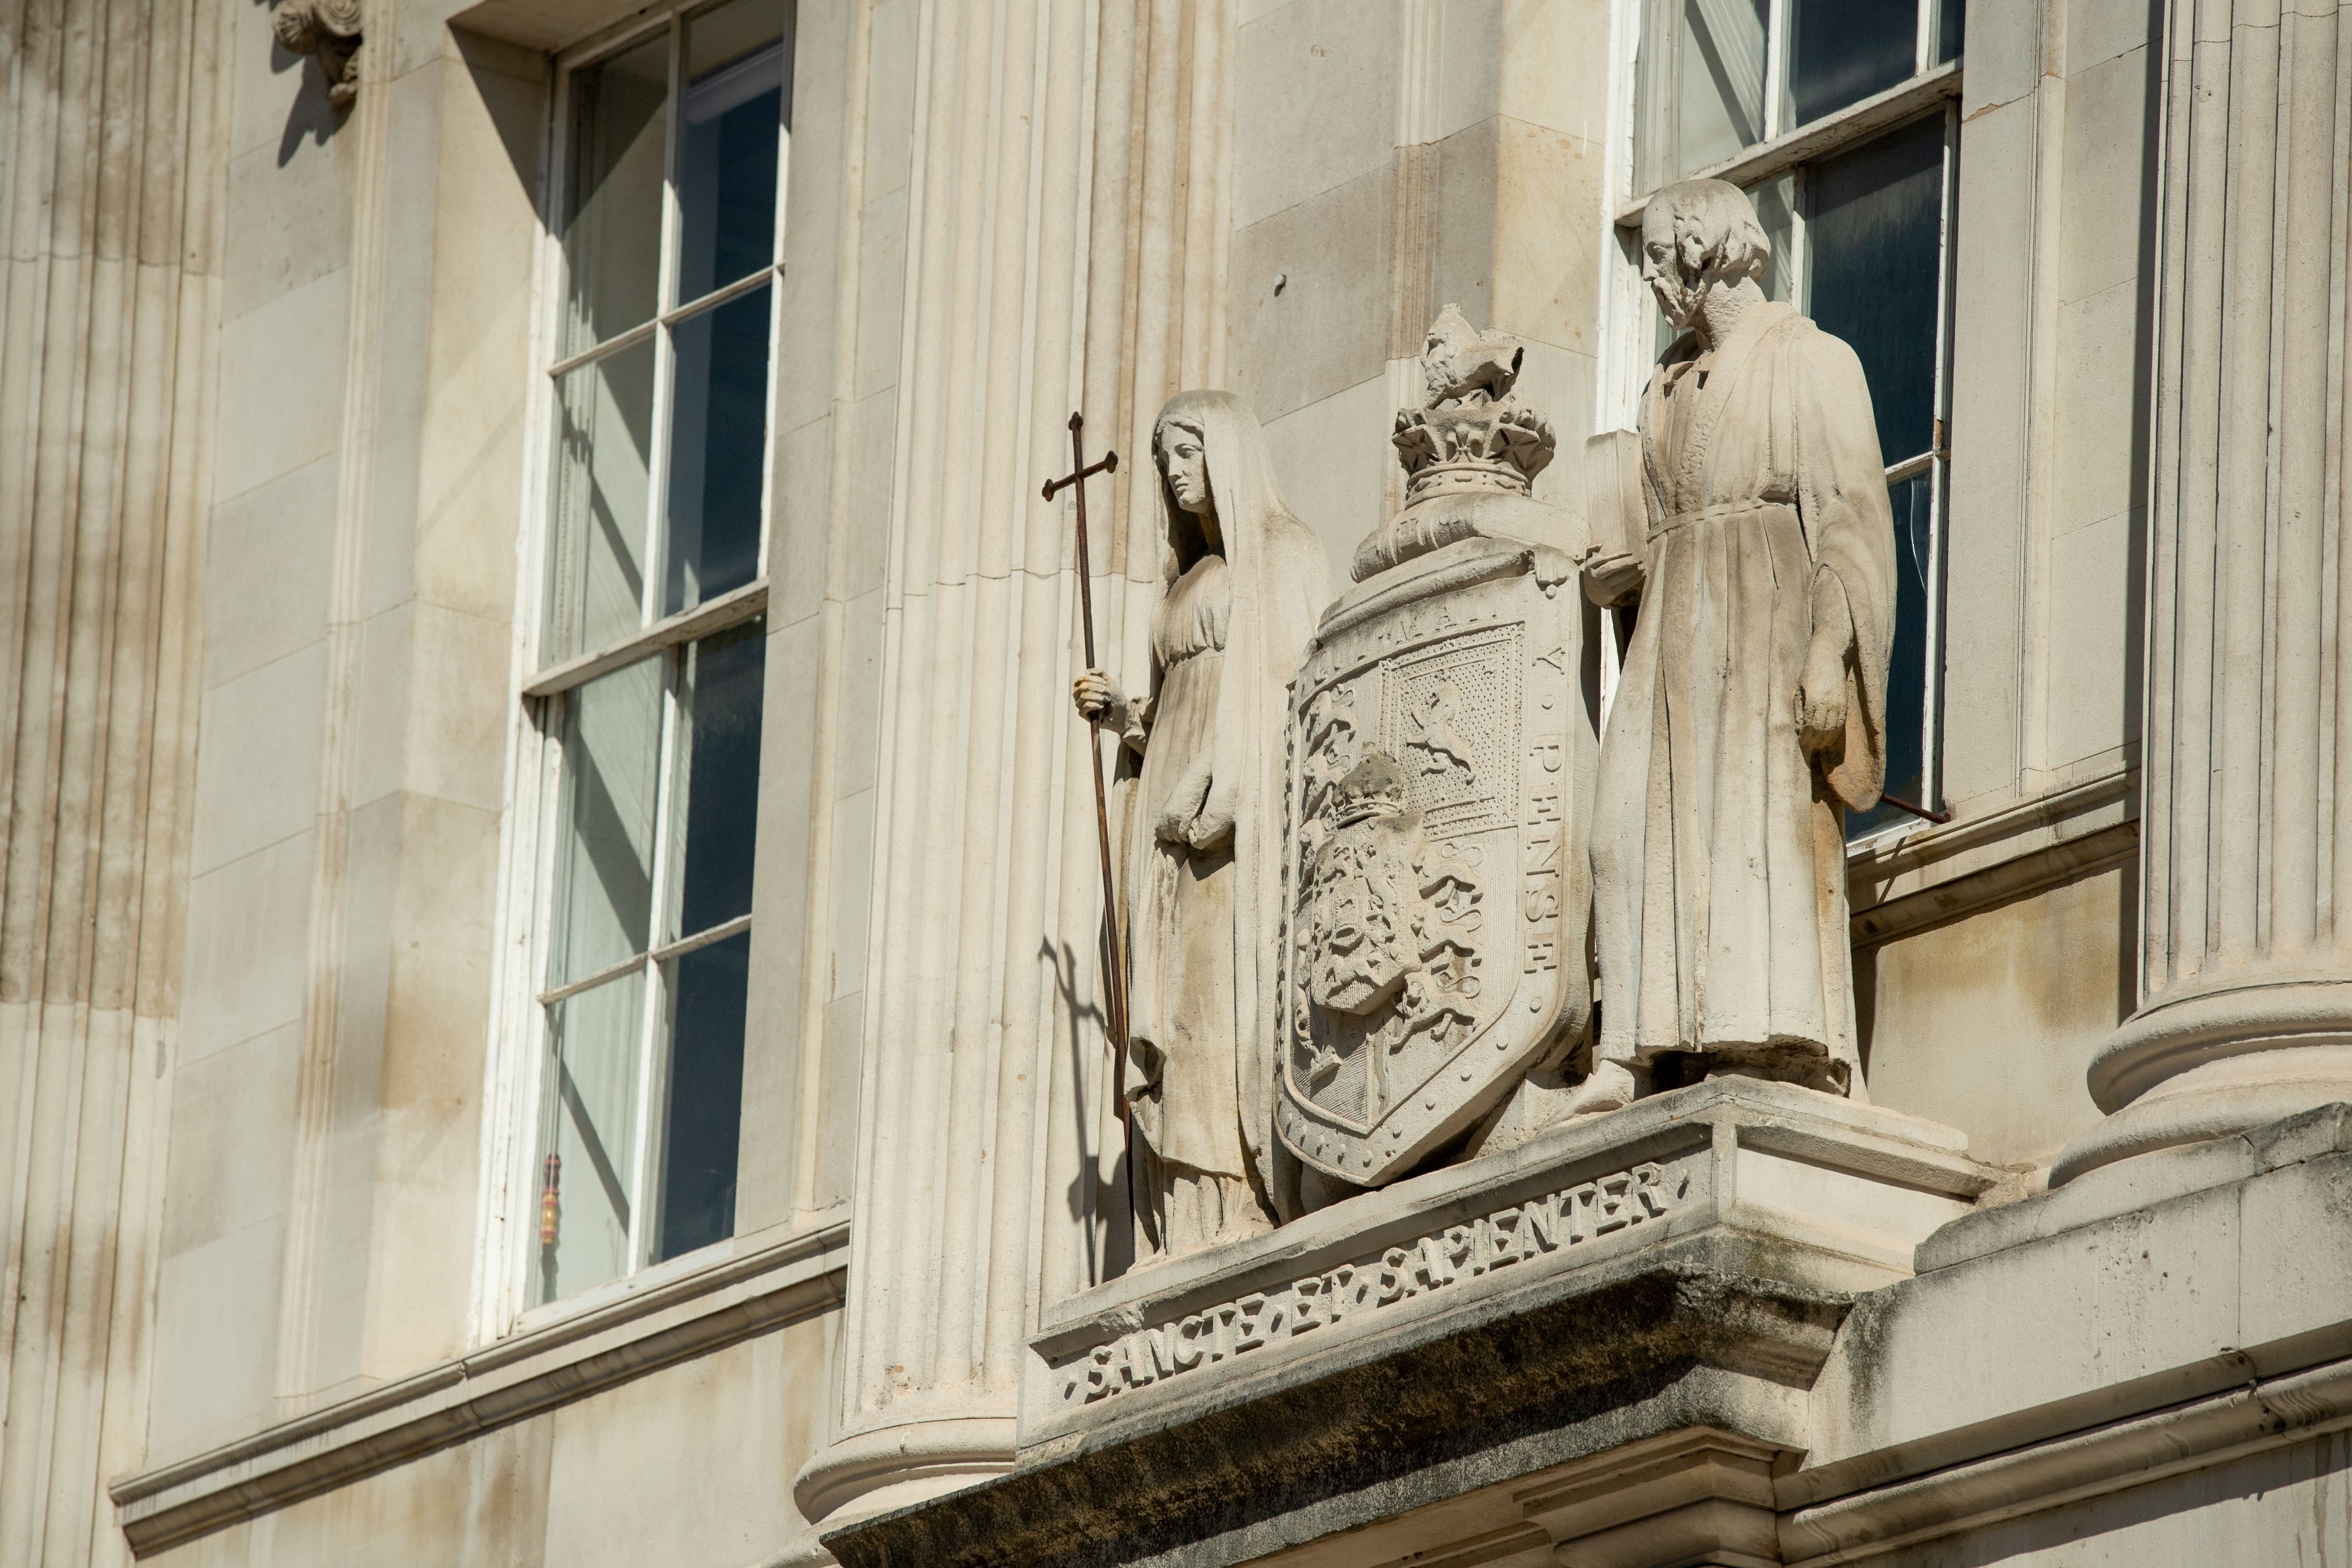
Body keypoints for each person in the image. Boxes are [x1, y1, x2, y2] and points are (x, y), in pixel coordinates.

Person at [1575, 177, 1897, 1109]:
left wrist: (1827, 652)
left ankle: (1763, 1036)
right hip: (1673, 625)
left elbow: (1851, 523)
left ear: (1704, 249)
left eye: (1657, 263)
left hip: (1763, 617)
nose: (1650, 283)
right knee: (1621, 829)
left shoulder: (1810, 359)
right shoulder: (1664, 388)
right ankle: (1632, 1044)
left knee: (1748, 823)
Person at [1071, 392, 1329, 1260]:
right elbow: (1176, 709)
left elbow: (1296, 693)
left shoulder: (1284, 554)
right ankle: (1178, 1218)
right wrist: (1125, 720)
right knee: (1171, 1000)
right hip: (1165, 821)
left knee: (1217, 1003)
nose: (1175, 473)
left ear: (1227, 451)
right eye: (1163, 461)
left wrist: (1226, 793)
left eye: (1187, 452)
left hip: (1228, 821)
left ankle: (1236, 1200)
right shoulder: (1187, 582)